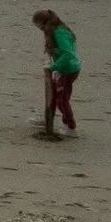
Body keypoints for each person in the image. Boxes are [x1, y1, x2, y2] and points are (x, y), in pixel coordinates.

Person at [33, 9, 81, 137]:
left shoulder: (60, 33)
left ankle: (71, 127)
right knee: (52, 94)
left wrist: (54, 66)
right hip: (61, 69)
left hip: (69, 70)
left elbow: (68, 54)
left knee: (62, 99)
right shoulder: (51, 31)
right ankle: (48, 117)